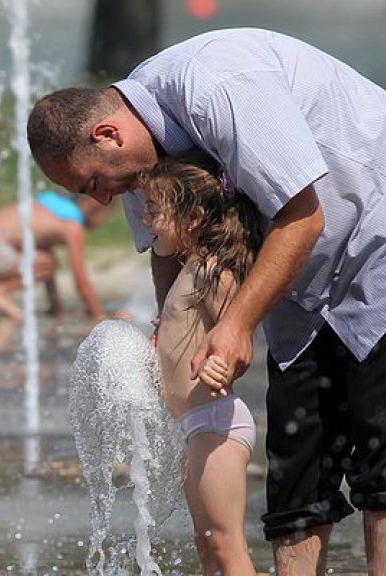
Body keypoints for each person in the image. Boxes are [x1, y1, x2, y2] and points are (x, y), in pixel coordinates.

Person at [27, 27, 386, 574]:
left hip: (373, 236)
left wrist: (238, 324)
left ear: (107, 135)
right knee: (297, 475)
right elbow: (165, 253)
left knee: (379, 467)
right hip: (300, 280)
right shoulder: (141, 159)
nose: (99, 200)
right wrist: (167, 337)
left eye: (92, 183)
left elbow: (302, 215)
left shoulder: (215, 85)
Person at [139, 152, 261, 574]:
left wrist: (223, 366)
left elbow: (235, 337)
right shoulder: (189, 268)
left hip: (216, 421)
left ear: (191, 218)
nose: (144, 222)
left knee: (226, 547)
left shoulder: (212, 269)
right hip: (196, 425)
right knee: (207, 547)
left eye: (153, 212)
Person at [0, 190, 113, 324]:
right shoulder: (72, 224)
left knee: (44, 260)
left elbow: (42, 260)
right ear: (95, 205)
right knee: (49, 264)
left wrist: (57, 310)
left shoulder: (48, 204)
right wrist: (99, 316)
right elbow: (81, 280)